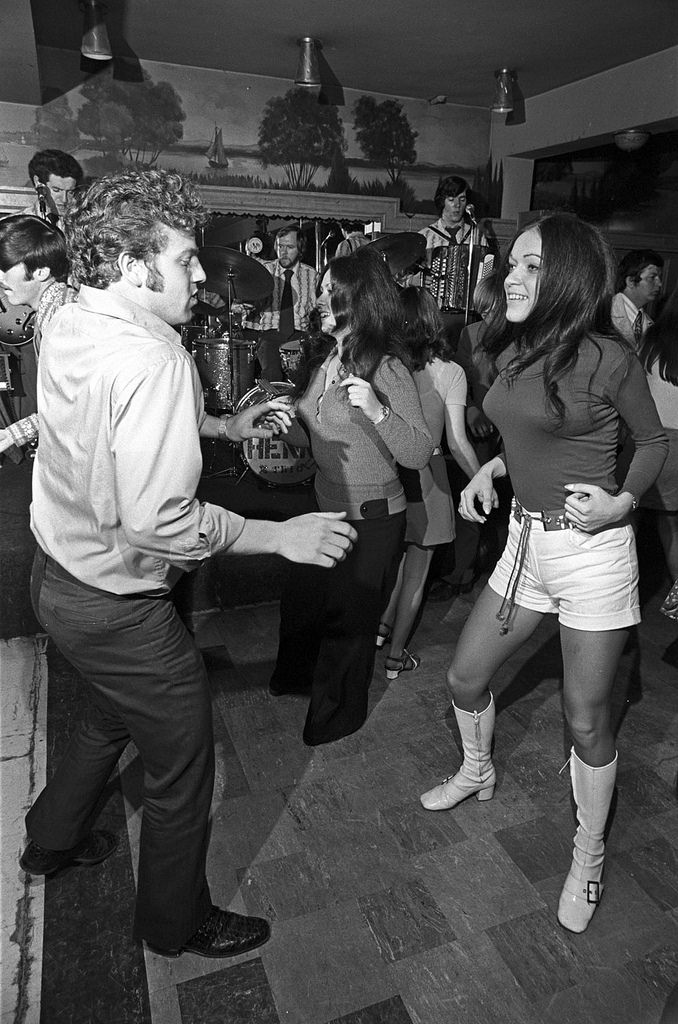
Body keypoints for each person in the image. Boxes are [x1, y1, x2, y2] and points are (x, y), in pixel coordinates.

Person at [20, 168, 357, 960]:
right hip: (119, 606)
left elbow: (105, 420)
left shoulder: (68, 314)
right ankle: (175, 923)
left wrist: (214, 426)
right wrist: (281, 537)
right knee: (181, 769)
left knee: (107, 718)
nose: (200, 272)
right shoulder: (157, 359)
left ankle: (49, 842)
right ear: (135, 267)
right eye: (181, 259)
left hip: (55, 581)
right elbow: (160, 519)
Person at [419, 212, 668, 935]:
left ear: (565, 276)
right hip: (525, 545)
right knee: (465, 678)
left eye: (531, 265)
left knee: (585, 722)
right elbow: (529, 433)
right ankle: (476, 769)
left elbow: (650, 442)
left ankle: (587, 852)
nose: (512, 276)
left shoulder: (608, 358)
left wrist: (621, 499)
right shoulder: (516, 350)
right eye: (511, 263)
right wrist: (492, 469)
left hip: (591, 554)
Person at [270, 247, 433, 745]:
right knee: (301, 604)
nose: (318, 299)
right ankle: (298, 682)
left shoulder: (386, 369)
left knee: (348, 624)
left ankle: (337, 715)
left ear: (355, 299)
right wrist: (286, 427)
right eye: (320, 290)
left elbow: (420, 452)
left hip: (373, 519)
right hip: (325, 507)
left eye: (328, 291)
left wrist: (380, 412)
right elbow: (318, 438)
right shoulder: (326, 361)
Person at [377, 286, 480, 678]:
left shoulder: (385, 366)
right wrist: (481, 478)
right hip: (429, 477)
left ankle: (381, 630)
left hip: (389, 475)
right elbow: (457, 440)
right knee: (417, 574)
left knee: (399, 562)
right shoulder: (450, 372)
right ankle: (395, 656)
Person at [0, 215, 75, 454]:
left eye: (5, 268)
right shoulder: (54, 307)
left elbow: (74, 406)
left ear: (41, 271)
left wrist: (14, 433)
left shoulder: (62, 318)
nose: (0, 279)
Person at [636, 280, 678, 579]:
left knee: (627, 519)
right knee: (671, 526)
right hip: (673, 444)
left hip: (649, 439)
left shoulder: (652, 337)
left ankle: (616, 594)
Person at [243, 224, 319, 382]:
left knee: (306, 379)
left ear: (300, 249)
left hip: (301, 335)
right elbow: (248, 298)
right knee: (272, 375)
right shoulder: (264, 271)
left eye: (290, 247)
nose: (283, 252)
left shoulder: (312, 276)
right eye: (280, 246)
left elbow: (318, 312)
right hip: (271, 334)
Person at [611, 249, 664, 346]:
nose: (659, 284)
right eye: (652, 277)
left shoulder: (648, 323)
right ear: (631, 281)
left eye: (660, 278)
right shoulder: (605, 314)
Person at [22, 149, 84, 230]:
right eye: (56, 190)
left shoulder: (79, 226)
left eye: (70, 192)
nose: (64, 200)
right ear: (38, 183)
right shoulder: (16, 225)